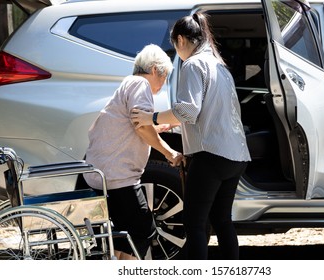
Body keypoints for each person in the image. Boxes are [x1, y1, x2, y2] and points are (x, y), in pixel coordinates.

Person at [131, 13, 251, 260]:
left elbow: (188, 110)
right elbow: (209, 114)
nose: (176, 53)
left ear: (181, 40)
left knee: (194, 222)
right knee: (222, 220)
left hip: (210, 155)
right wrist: (171, 125)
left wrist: (151, 118)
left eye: (175, 46)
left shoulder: (193, 65)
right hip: (236, 155)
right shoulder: (219, 65)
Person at [83, 44, 184, 260]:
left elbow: (132, 124)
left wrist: (159, 127)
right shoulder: (140, 84)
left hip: (104, 172)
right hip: (118, 176)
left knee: (123, 235)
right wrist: (170, 153)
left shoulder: (128, 83)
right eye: (164, 77)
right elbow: (141, 127)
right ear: (156, 70)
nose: (163, 84)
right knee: (142, 231)